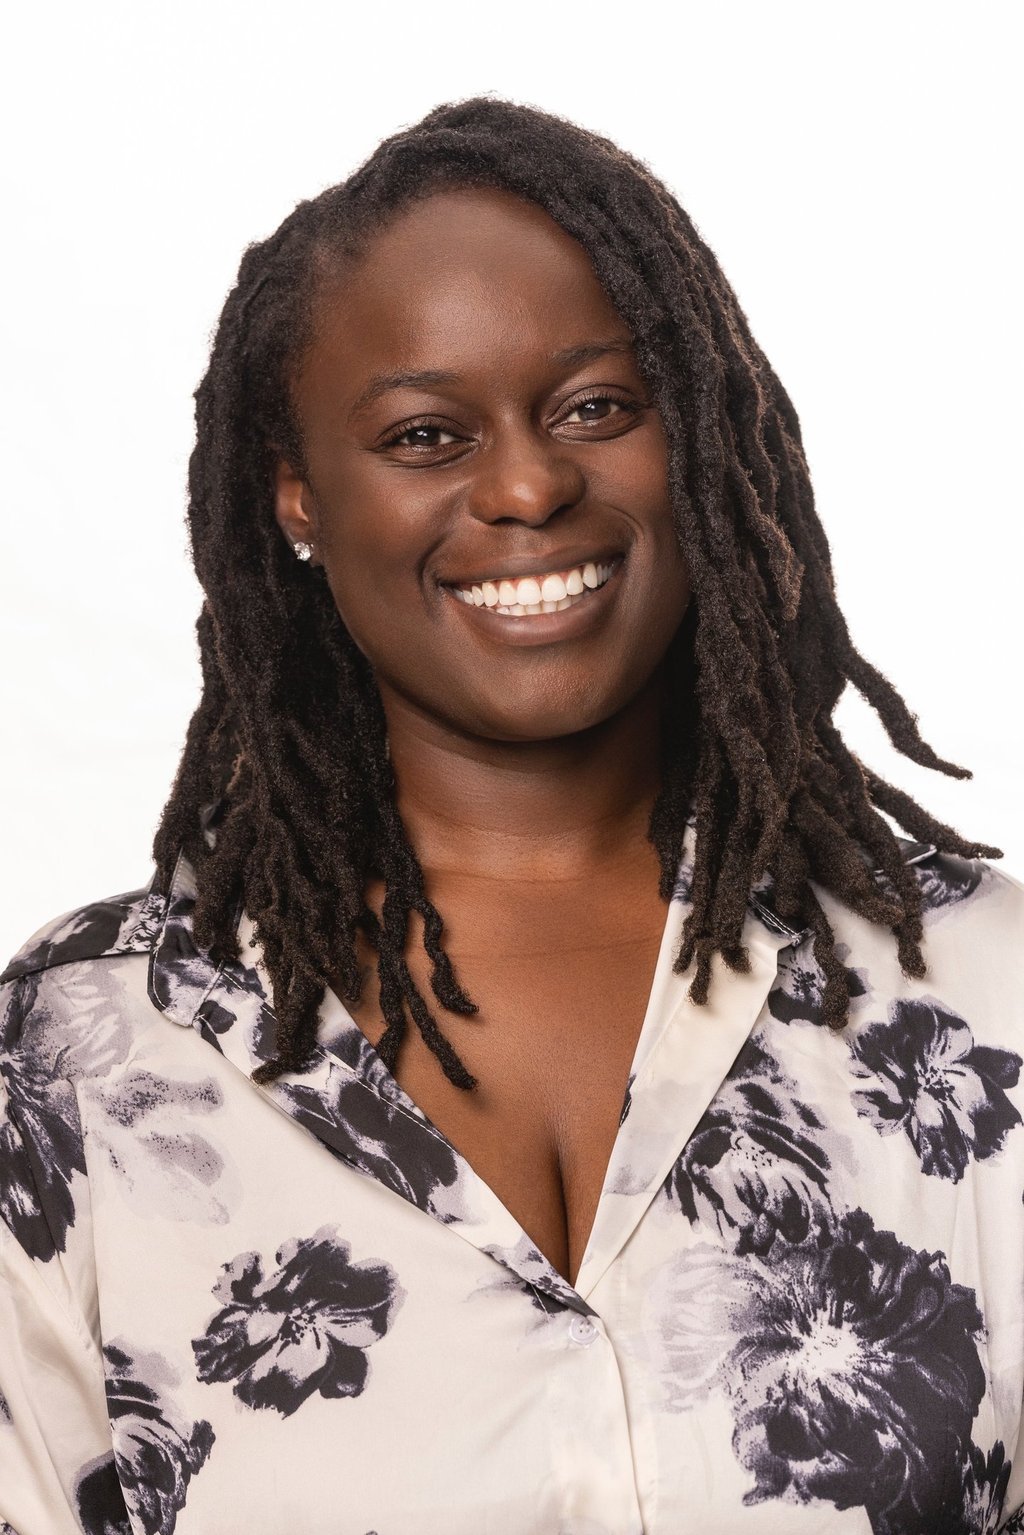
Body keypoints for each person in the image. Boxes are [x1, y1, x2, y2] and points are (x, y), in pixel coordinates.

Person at [1, 95, 1022, 1535]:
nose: (532, 484)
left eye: (597, 408)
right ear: (297, 498)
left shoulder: (984, 998)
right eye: (426, 435)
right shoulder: (80, 1058)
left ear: (701, 434)